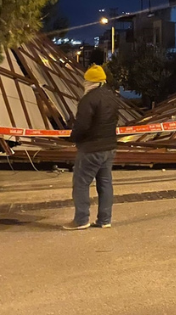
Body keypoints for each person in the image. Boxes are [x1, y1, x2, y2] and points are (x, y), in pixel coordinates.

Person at [63, 62, 120, 230]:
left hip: (91, 148)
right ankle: (105, 220)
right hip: (109, 147)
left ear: (88, 82)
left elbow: (82, 125)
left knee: (81, 183)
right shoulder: (112, 97)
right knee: (105, 183)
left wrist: (72, 138)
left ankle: (81, 220)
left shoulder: (88, 99)